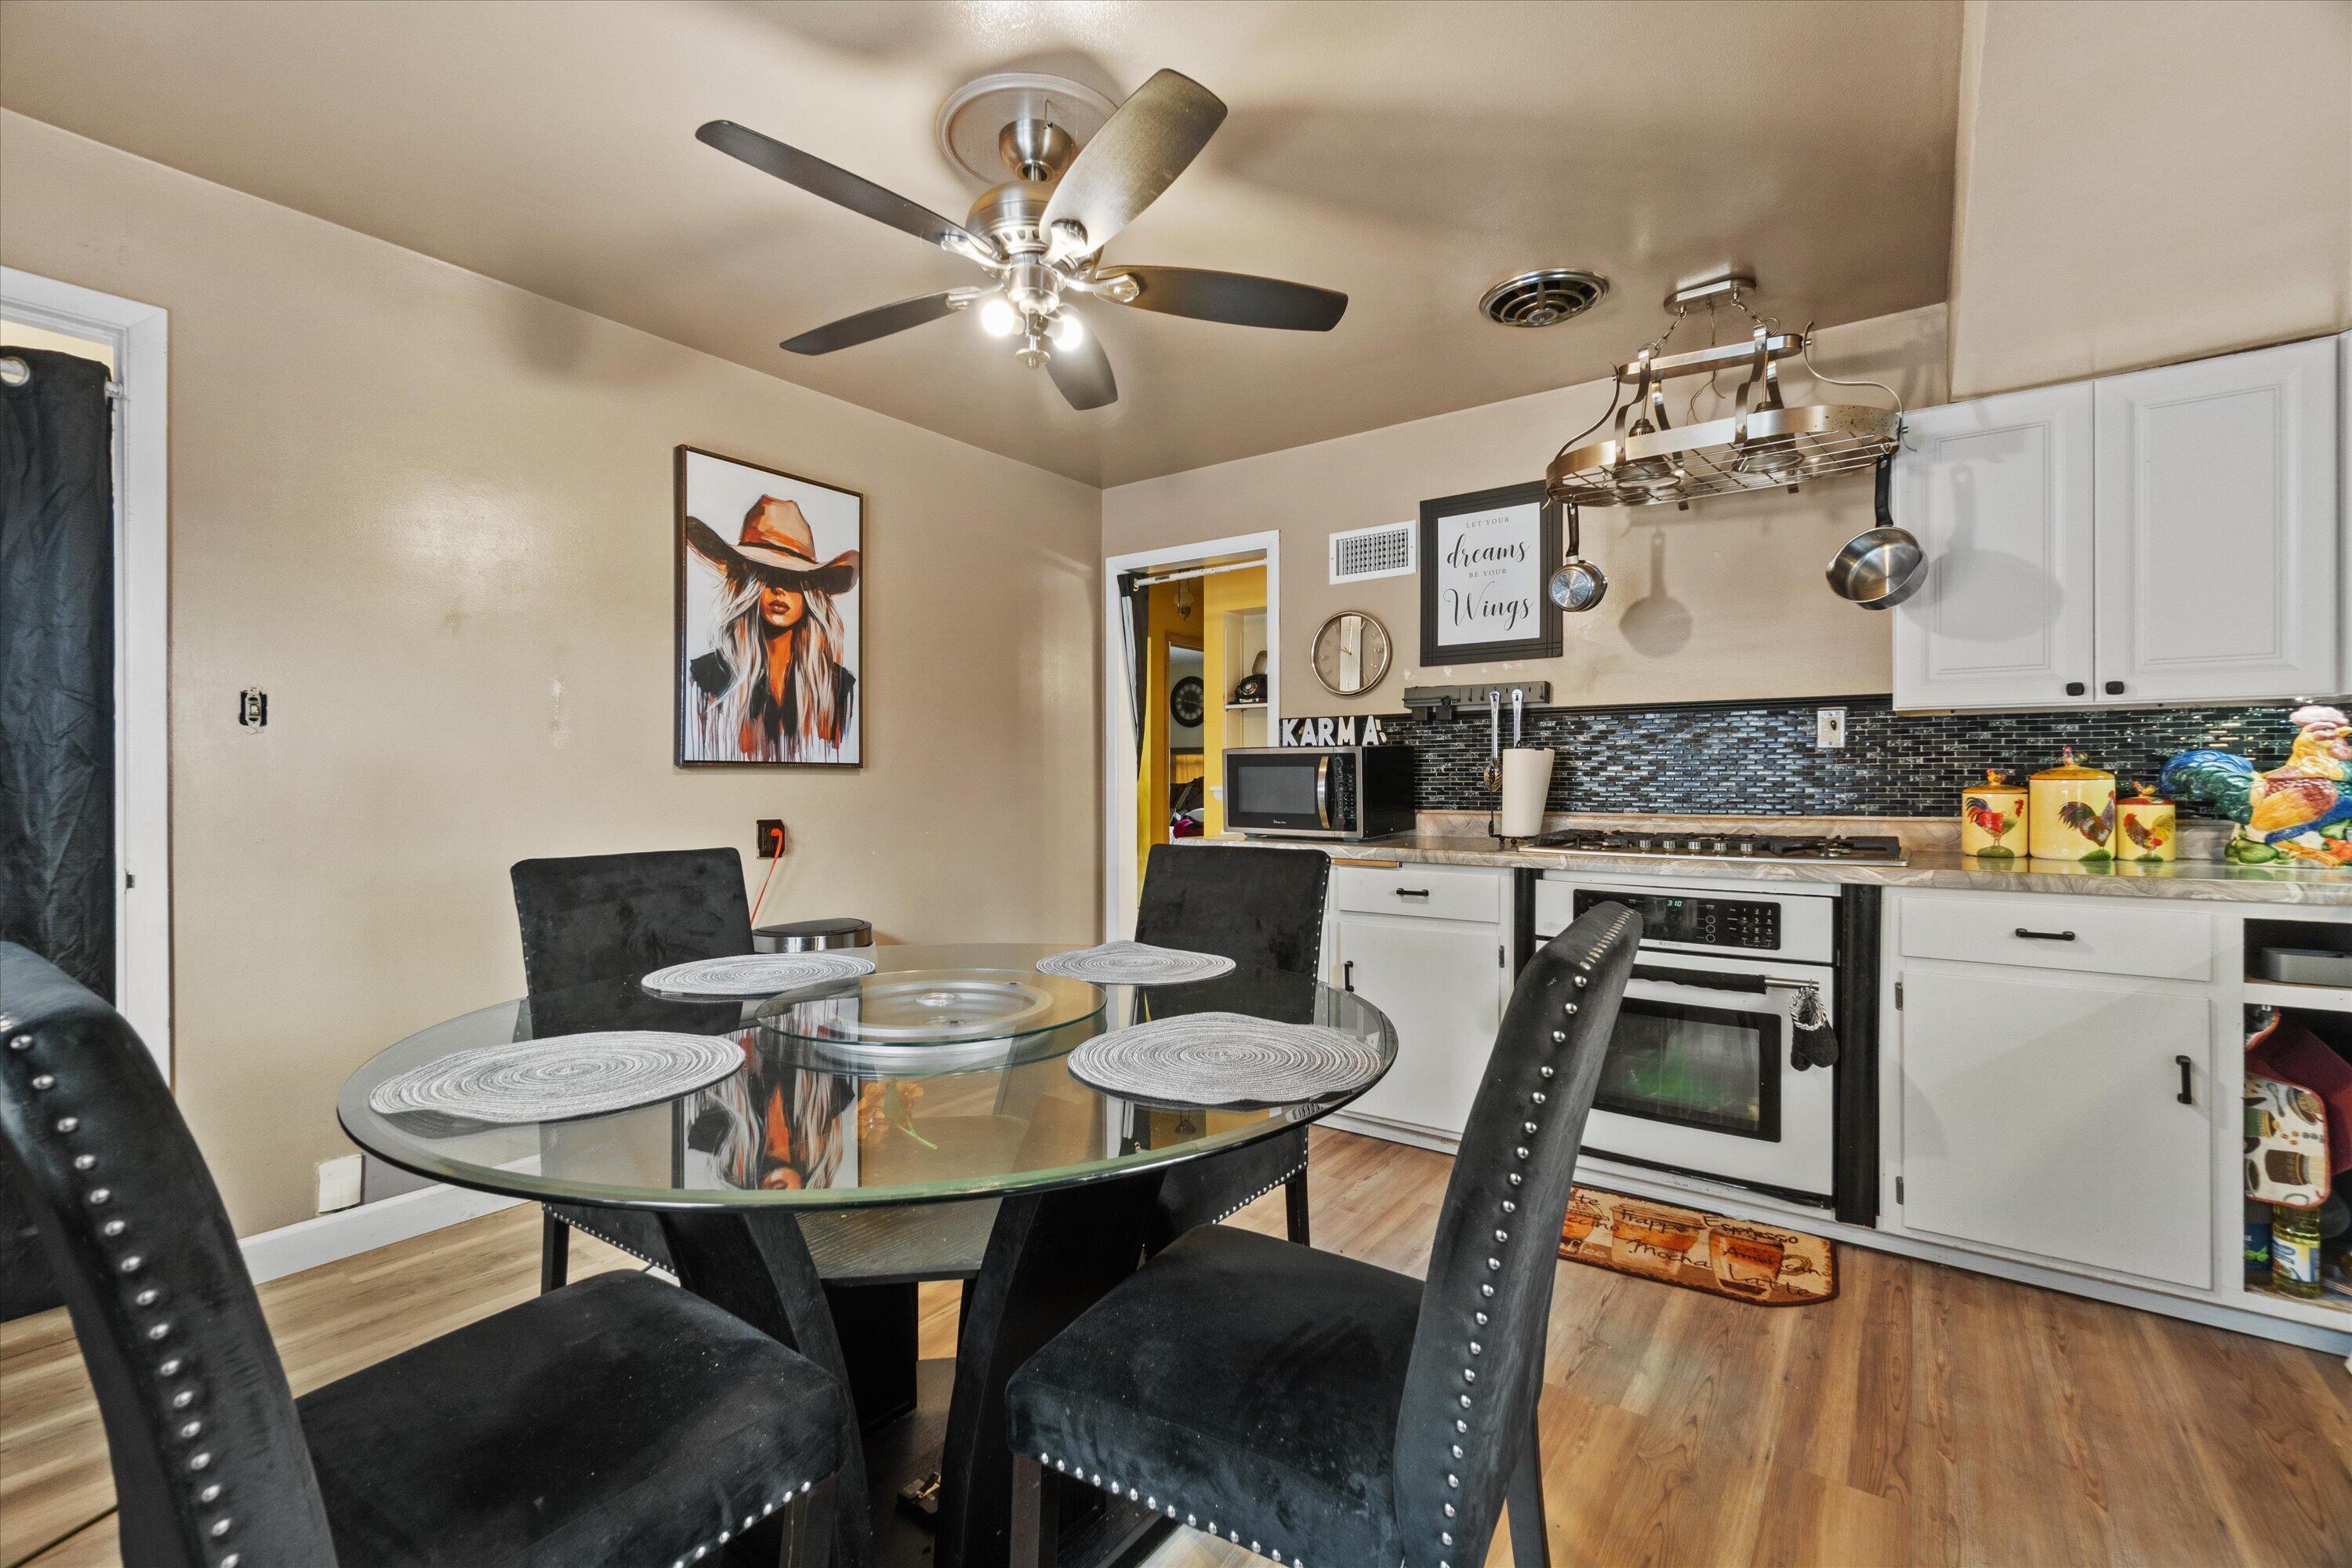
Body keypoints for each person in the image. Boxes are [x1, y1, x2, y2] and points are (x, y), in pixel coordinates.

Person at [684, 495, 859, 762]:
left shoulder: (840, 687)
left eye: (792, 578)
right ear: (748, 584)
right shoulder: (706, 677)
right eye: (766, 574)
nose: (778, 589)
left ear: (810, 592)